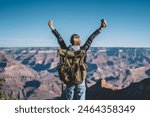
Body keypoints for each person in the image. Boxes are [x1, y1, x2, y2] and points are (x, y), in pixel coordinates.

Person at [48, 19, 107, 100]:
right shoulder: (83, 50)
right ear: (79, 41)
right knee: (81, 95)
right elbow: (91, 38)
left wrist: (52, 28)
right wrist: (101, 28)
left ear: (71, 41)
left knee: (69, 96)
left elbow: (60, 39)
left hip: (69, 78)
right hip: (80, 78)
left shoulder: (65, 51)